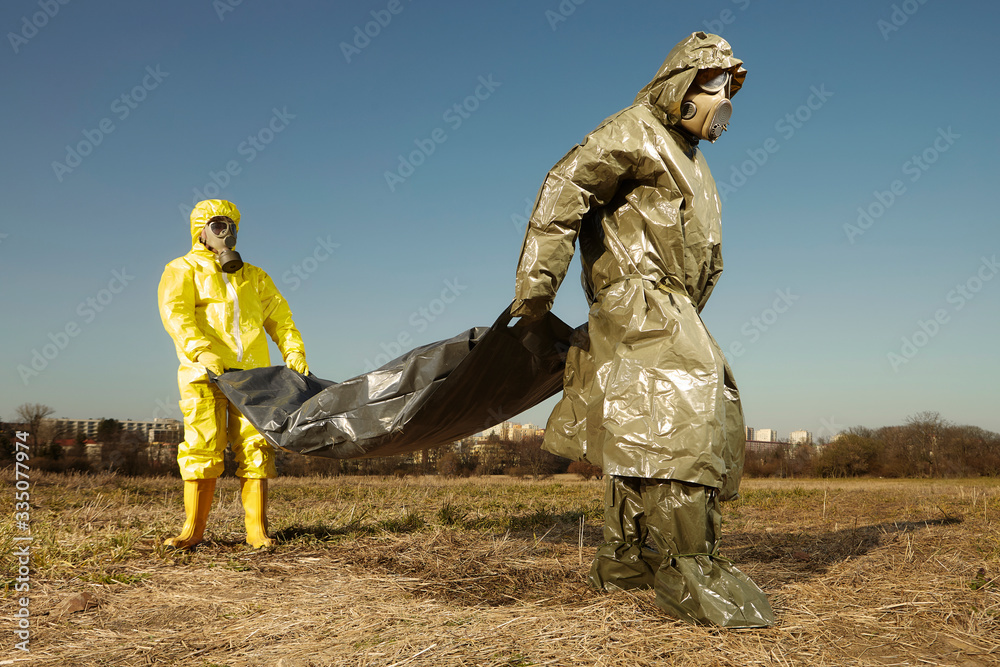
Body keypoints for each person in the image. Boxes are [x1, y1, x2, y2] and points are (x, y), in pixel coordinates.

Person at [510, 32, 773, 627]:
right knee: (688, 414)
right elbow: (567, 184)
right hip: (639, 297)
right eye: (713, 82)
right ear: (681, 83)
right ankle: (689, 568)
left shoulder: (690, 157)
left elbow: (700, 246)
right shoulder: (636, 130)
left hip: (668, 302)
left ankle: (629, 558)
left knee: (643, 424)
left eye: (729, 87)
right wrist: (538, 282)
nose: (723, 99)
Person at [158, 199, 309, 549]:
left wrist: (294, 351)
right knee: (202, 446)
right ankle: (192, 531)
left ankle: (257, 531)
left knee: (256, 447)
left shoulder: (254, 276)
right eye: (218, 225)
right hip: (204, 373)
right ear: (200, 230)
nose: (226, 232)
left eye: (232, 225)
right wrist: (200, 350)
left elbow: (280, 318)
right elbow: (176, 314)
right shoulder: (182, 269)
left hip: (253, 378)